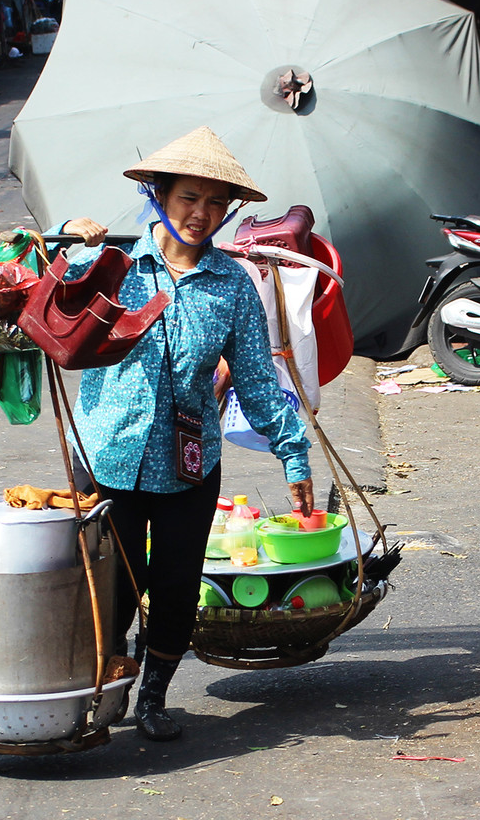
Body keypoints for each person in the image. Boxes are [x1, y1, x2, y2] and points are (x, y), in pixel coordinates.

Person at [54, 126, 314, 743]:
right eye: (188, 198)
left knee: (174, 587)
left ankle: (153, 699)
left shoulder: (232, 286)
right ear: (160, 197)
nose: (201, 215)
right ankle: (101, 693)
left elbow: (256, 381)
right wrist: (70, 245)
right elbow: (50, 301)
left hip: (189, 465)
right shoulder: (112, 268)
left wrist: (294, 457)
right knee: (111, 590)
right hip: (107, 455)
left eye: (215, 203)